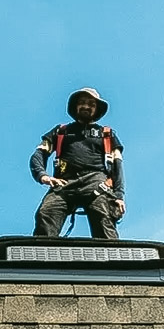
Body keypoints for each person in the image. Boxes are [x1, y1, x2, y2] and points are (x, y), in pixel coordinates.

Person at [29, 87, 125, 238]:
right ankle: (42, 257)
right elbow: (39, 154)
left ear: (96, 109)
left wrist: (119, 196)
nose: (86, 106)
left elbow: (117, 167)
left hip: (97, 182)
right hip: (64, 182)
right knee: (46, 214)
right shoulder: (61, 131)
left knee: (104, 220)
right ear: (76, 106)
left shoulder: (107, 134)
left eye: (91, 104)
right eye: (82, 102)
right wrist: (43, 176)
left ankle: (112, 259)